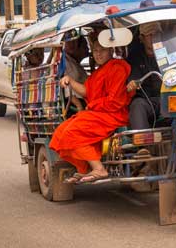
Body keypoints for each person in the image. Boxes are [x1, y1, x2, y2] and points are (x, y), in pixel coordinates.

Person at [49, 39, 131, 184]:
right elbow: (87, 91)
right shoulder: (99, 71)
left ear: (111, 50)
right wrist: (70, 80)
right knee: (60, 133)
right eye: (95, 51)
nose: (98, 54)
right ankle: (83, 168)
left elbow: (115, 101)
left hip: (113, 115)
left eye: (102, 50)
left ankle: (99, 169)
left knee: (72, 133)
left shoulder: (117, 68)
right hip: (98, 113)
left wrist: (93, 105)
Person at [126, 21, 162, 130]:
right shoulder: (134, 56)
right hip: (146, 101)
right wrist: (132, 84)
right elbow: (132, 80)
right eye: (150, 35)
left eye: (156, 34)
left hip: (166, 98)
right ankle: (143, 144)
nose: (153, 38)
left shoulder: (168, 52)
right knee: (137, 105)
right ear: (141, 38)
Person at [63, 31, 89, 111]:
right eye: (85, 47)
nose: (87, 50)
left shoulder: (74, 62)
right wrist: (79, 106)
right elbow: (68, 88)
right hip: (79, 102)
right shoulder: (67, 63)